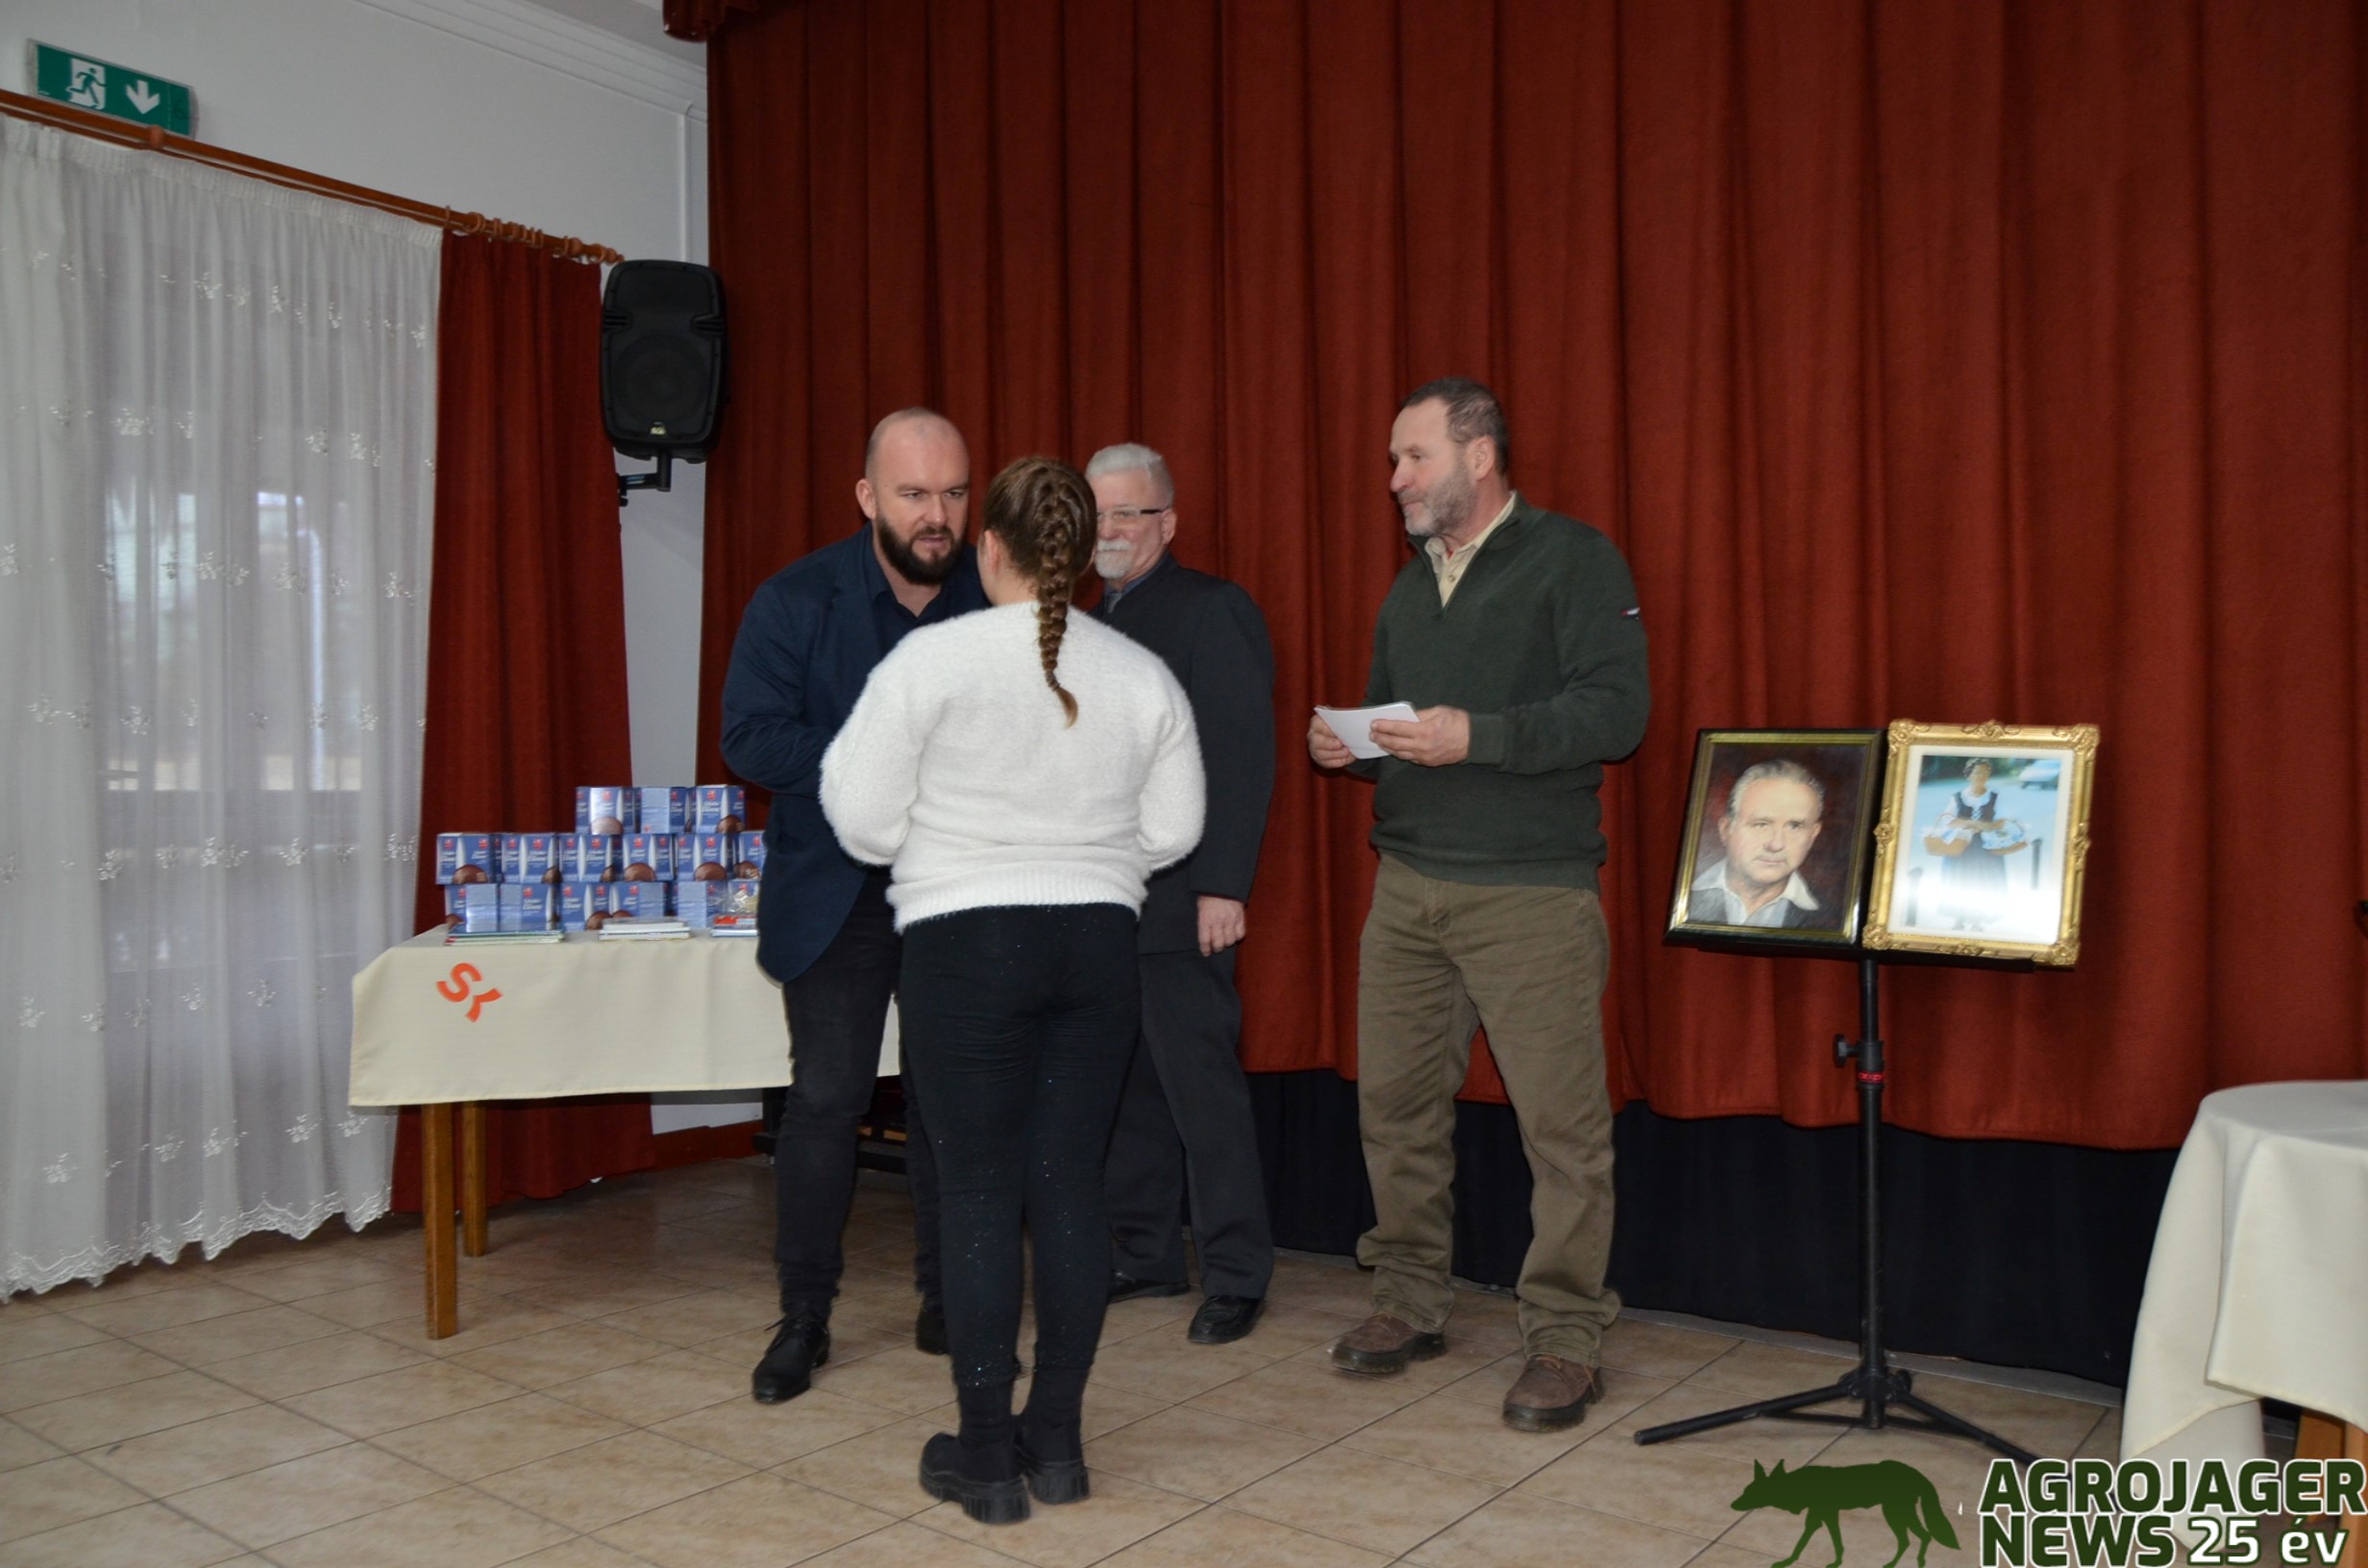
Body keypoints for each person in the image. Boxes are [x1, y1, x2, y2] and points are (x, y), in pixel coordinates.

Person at [821, 455, 1204, 1524]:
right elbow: (1175, 830)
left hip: (965, 946)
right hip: (1096, 947)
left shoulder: (930, 660)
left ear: (988, 547)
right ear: (1081, 558)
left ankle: (987, 1457)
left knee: (979, 1193)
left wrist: (952, 843)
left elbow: (861, 821)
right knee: (1069, 1186)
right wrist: (1088, 852)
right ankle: (1060, 1443)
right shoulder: (1140, 672)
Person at [1308, 377, 1649, 1433]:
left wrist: (1479, 736)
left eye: (1414, 457)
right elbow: (1406, 733)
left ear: (1480, 456)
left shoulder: (1573, 559)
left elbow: (1618, 713)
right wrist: (1354, 747)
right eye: (1394, 460)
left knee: (1561, 1132)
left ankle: (1564, 1338)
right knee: (1396, 1111)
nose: (1396, 479)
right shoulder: (1410, 587)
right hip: (1408, 884)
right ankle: (1409, 1301)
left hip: (1530, 893)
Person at [719, 408, 986, 1405]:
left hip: (958, 891)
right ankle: (804, 1317)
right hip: (837, 893)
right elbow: (749, 737)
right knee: (826, 1103)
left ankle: (949, 1298)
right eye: (914, 494)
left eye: (953, 493)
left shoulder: (995, 602)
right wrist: (881, 755)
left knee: (953, 1104)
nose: (936, 515)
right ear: (869, 497)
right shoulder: (796, 599)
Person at [1085, 442, 1277, 1346]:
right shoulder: (1084, 621)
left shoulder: (1212, 609)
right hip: (1101, 902)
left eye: (1129, 513)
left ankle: (1237, 1274)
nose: (1111, 530)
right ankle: (1146, 1253)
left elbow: (1240, 757)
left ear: (1168, 521)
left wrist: (1221, 887)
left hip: (1181, 900)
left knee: (1203, 1097)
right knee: (1127, 1092)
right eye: (1098, 514)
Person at [1688, 760, 1832, 930]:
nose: (1776, 844)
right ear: (1726, 829)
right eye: (1761, 824)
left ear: (1813, 835)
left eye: (1794, 826)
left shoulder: (1832, 917)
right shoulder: (1679, 896)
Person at [1925, 758, 2022, 929]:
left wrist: (1986, 826)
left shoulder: (1995, 797)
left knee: (1982, 881)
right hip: (1961, 845)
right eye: (1977, 772)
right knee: (1959, 880)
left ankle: (1978, 920)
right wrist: (1972, 823)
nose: (1980, 776)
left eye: (1984, 772)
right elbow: (1948, 820)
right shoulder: (1958, 797)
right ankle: (1959, 918)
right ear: (1969, 775)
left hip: (1986, 846)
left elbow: (2002, 821)